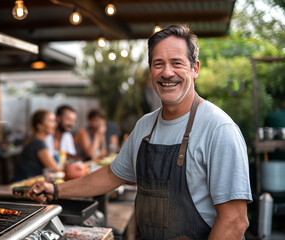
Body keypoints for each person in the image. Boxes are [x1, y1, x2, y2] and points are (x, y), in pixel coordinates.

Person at [26, 24, 252, 239]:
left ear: (195, 69)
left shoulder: (218, 129)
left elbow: (234, 221)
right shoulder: (145, 126)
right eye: (158, 64)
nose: (167, 73)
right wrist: (55, 189)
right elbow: (111, 175)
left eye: (177, 63)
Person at [14, 109, 60, 181]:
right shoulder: (38, 143)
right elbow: (55, 169)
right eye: (51, 121)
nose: (55, 125)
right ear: (39, 125)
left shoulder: (35, 140)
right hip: (25, 186)